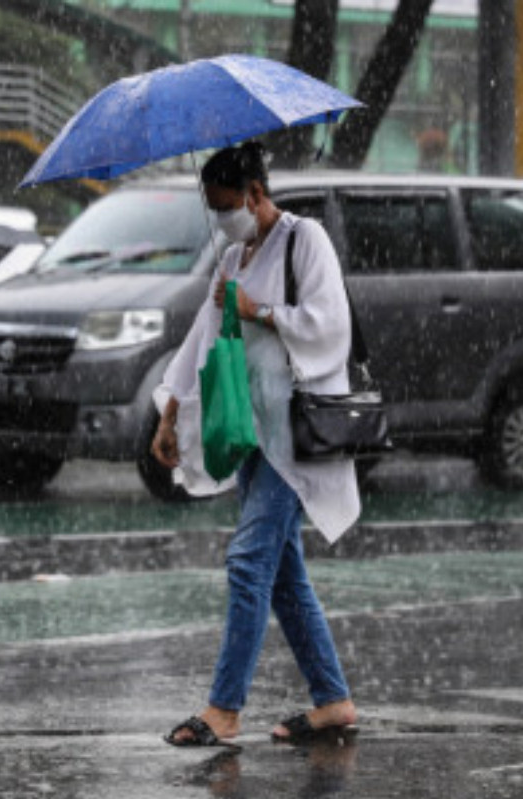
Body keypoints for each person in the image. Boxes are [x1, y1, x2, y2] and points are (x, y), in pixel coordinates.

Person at [151, 141, 360, 747]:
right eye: (213, 209)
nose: (222, 218)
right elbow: (202, 338)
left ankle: (224, 709)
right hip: (249, 432)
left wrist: (260, 309)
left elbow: (330, 326)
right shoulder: (233, 256)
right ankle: (333, 699)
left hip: (295, 435)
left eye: (227, 206)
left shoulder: (305, 241)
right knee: (283, 575)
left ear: (256, 193)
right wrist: (169, 413)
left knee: (248, 562)